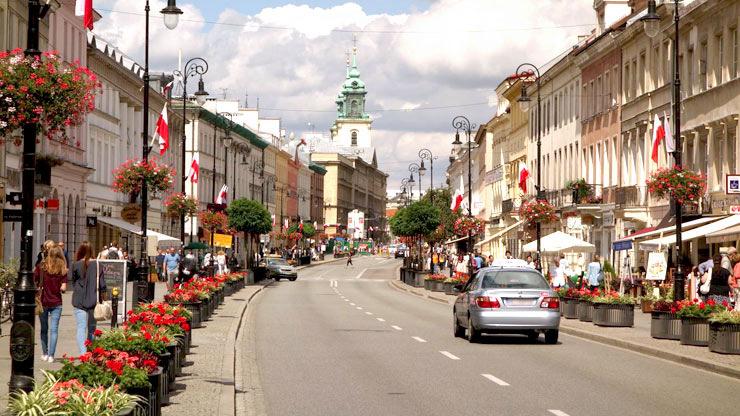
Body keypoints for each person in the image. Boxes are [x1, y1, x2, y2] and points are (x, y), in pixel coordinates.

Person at [71, 241, 106, 355]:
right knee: (91, 328)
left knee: (81, 327)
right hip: (93, 300)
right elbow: (102, 285)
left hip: (79, 300)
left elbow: (73, 281)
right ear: (91, 251)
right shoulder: (98, 265)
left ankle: (83, 354)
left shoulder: (76, 265)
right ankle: (90, 352)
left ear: (80, 251)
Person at [35, 244, 67, 363]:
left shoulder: (42, 266)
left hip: (43, 301)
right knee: (54, 330)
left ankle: (44, 353)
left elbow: (34, 279)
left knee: (44, 329)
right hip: (56, 302)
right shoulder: (62, 267)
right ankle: (51, 355)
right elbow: (63, 288)